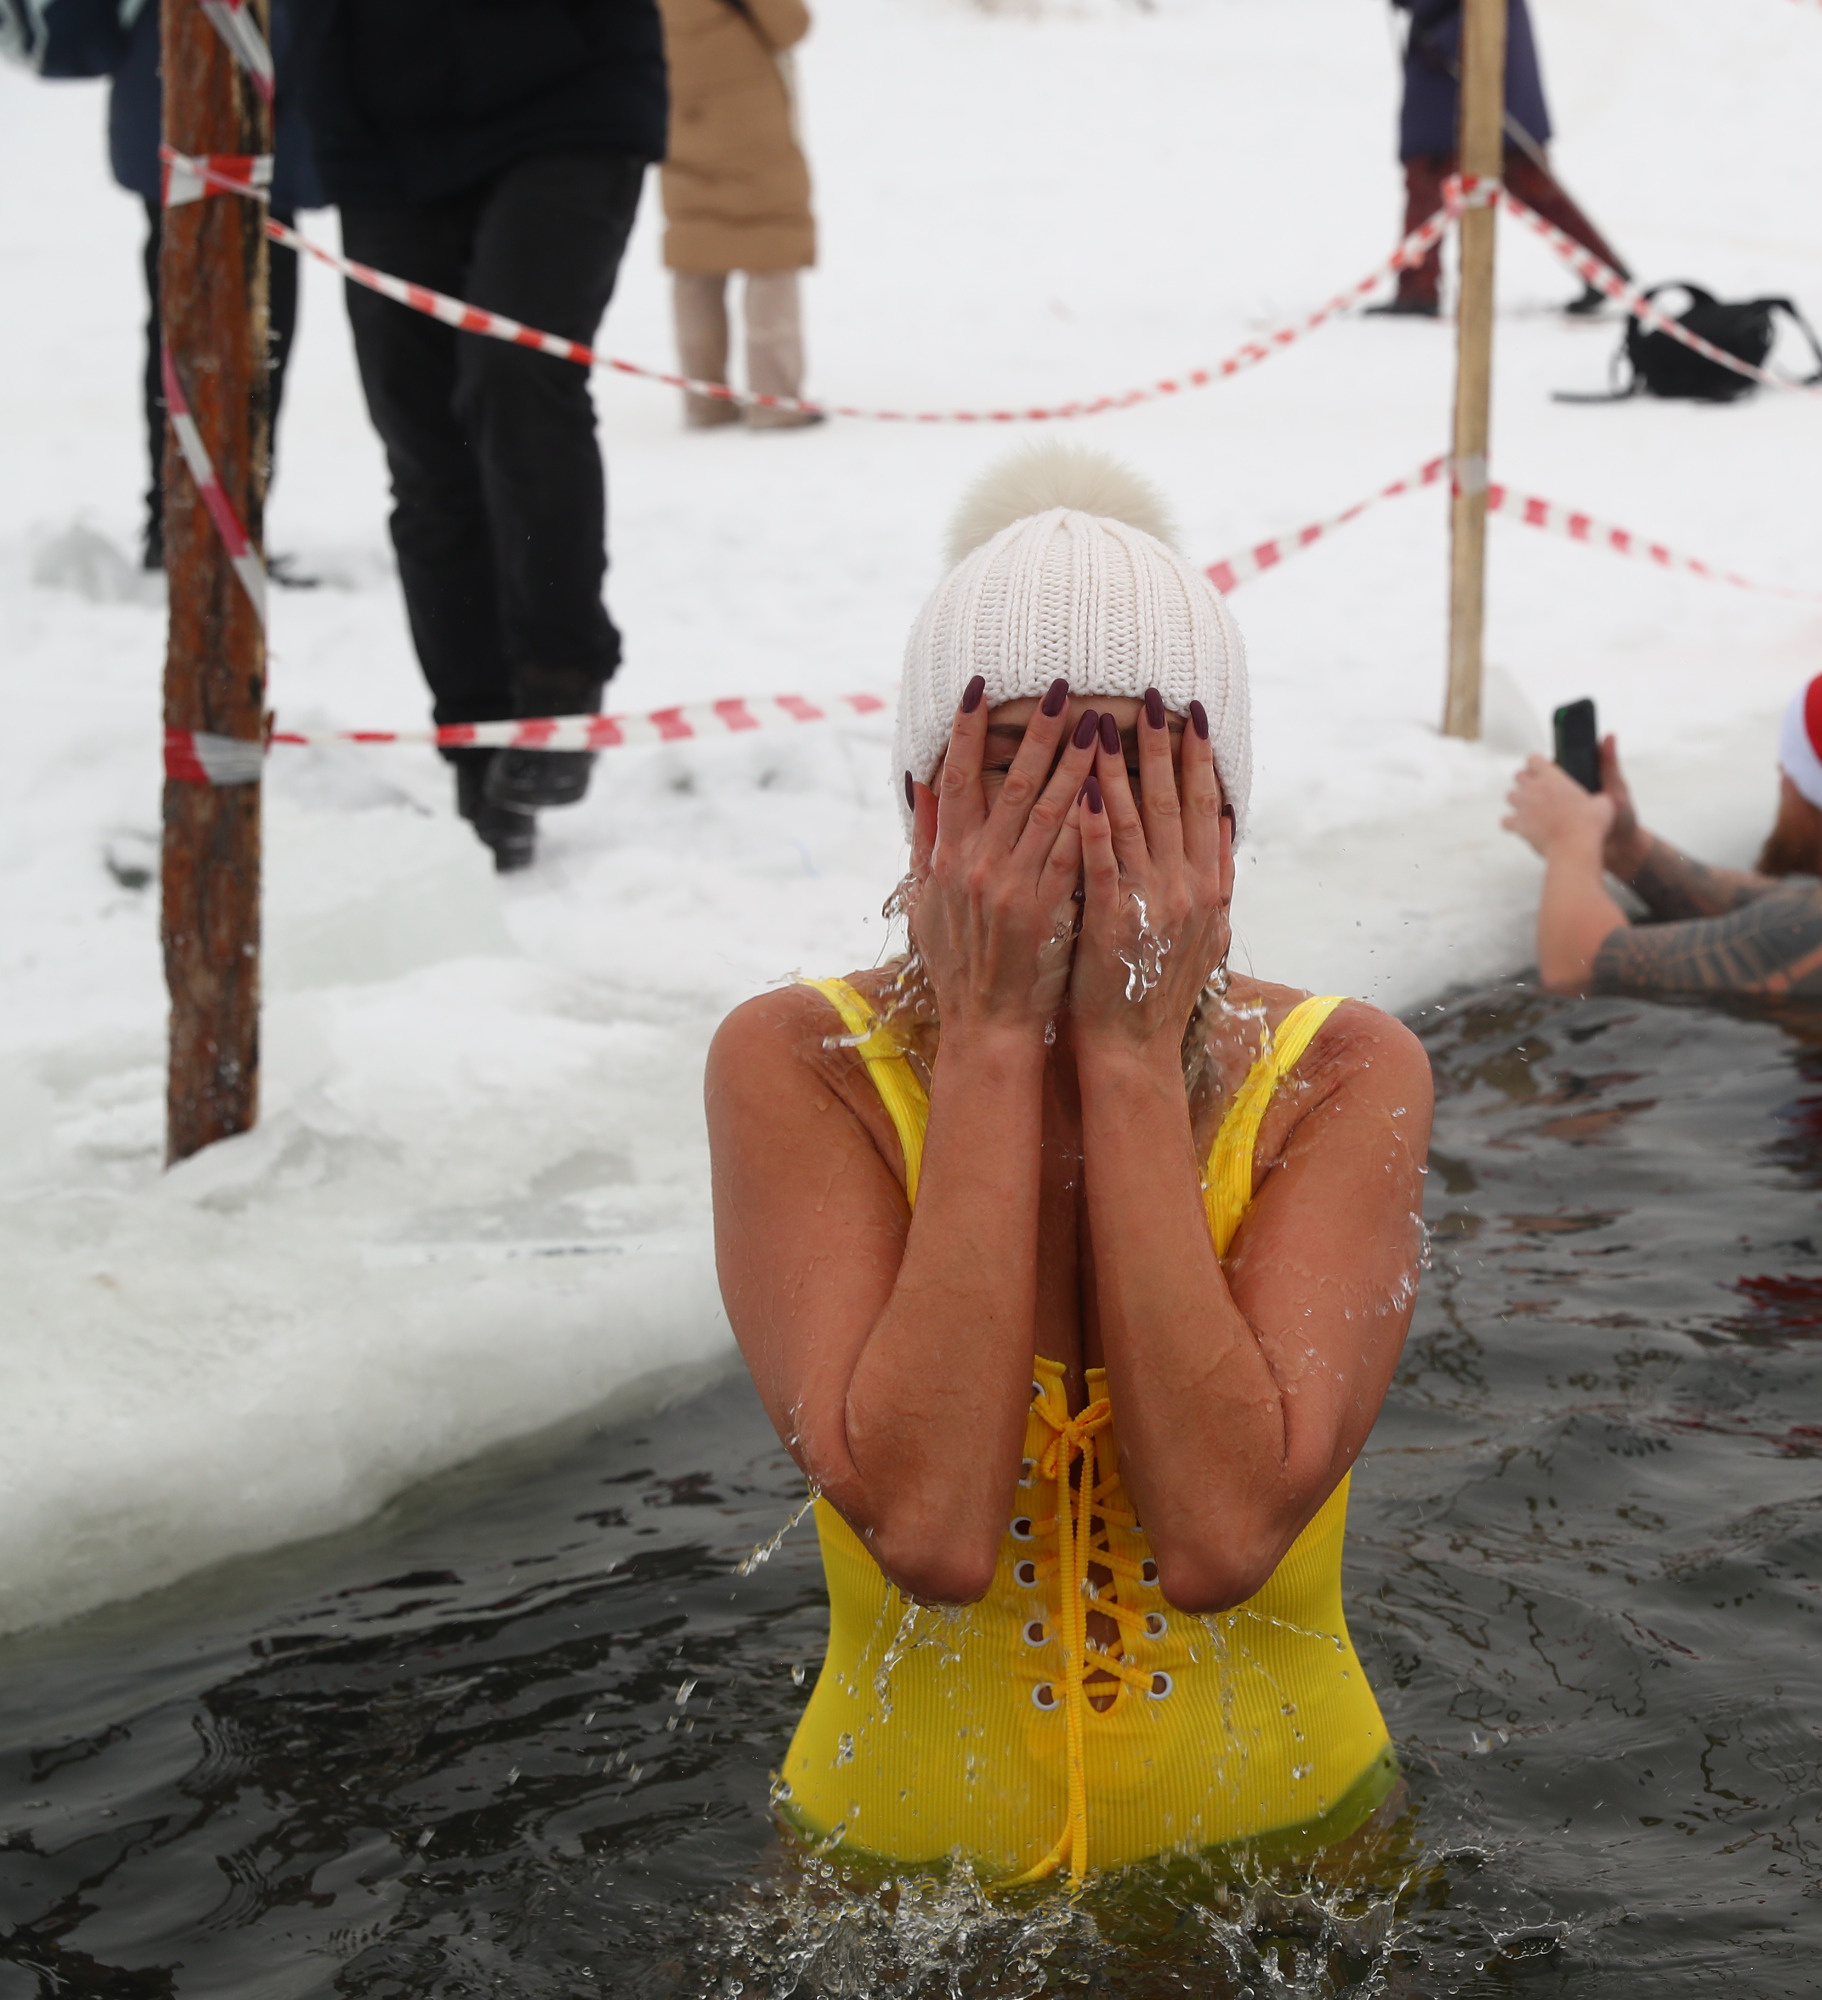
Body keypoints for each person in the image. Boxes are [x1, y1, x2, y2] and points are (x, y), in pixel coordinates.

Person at [704, 443, 1432, 1883]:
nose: (1079, 829)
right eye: (1015, 774)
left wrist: (1122, 1057)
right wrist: (983, 1039)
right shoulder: (799, 1068)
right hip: (890, 1894)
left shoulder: (1345, 1075)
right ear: (924, 813)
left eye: (1140, 771)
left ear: (1223, 825)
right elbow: (929, 1527)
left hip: (1294, 1874)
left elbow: (1223, 1537)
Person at [293, 0, 665, 871]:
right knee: (423, 445)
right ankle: (473, 742)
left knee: (515, 377)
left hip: (569, 97)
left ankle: (556, 686)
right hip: (379, 124)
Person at [1501, 643, 1822, 1000]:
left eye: (1792, 770)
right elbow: (1767, 911)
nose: (1780, 776)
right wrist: (1625, 844)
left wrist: (1571, 841)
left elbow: (1580, 966)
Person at [16, 0, 319, 575]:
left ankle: (218, 524)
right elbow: (76, 37)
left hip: (262, 100)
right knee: (207, 323)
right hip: (189, 101)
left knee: (258, 325)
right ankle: (190, 526)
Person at [1374, 0, 1628, 320]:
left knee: (1431, 178)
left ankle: (1417, 290)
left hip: (1461, 59)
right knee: (1525, 181)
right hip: (1465, 57)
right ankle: (1605, 271)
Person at [659, 0, 822, 432]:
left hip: (676, 112)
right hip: (748, 121)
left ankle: (705, 401)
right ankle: (775, 401)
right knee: (771, 247)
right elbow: (790, 25)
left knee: (694, 252)